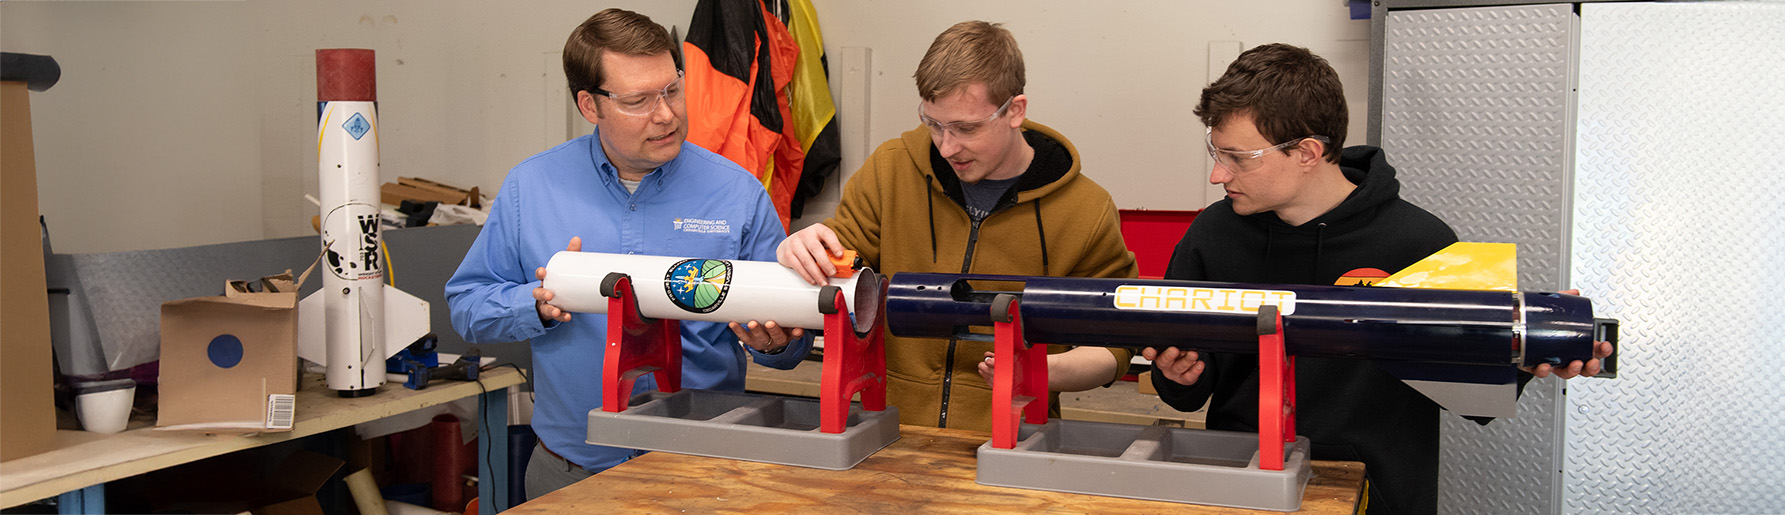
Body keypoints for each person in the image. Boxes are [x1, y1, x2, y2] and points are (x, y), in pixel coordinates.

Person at [1140, 44, 1612, 515]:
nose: (1218, 174)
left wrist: (1526, 358)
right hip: (1245, 491)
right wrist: (1179, 374)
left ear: (1308, 152)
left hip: (1381, 493)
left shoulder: (1421, 242)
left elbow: (1476, 399)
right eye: (1216, 152)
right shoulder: (1213, 234)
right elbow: (1187, 390)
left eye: (1238, 158)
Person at [445, 8, 810, 499]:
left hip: (700, 473)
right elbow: (467, 305)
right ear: (589, 105)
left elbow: (793, 343)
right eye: (638, 100)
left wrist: (775, 344)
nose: (666, 115)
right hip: (570, 472)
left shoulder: (738, 195)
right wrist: (537, 305)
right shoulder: (530, 188)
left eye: (672, 90)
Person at [776, 21, 1137, 431]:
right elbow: (840, 272)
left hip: (1014, 445)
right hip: (887, 434)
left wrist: (1040, 371)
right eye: (933, 124)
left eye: (966, 128)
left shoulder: (1085, 210)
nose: (947, 147)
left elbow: (1115, 342)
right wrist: (804, 252)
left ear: (1015, 110)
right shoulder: (889, 171)